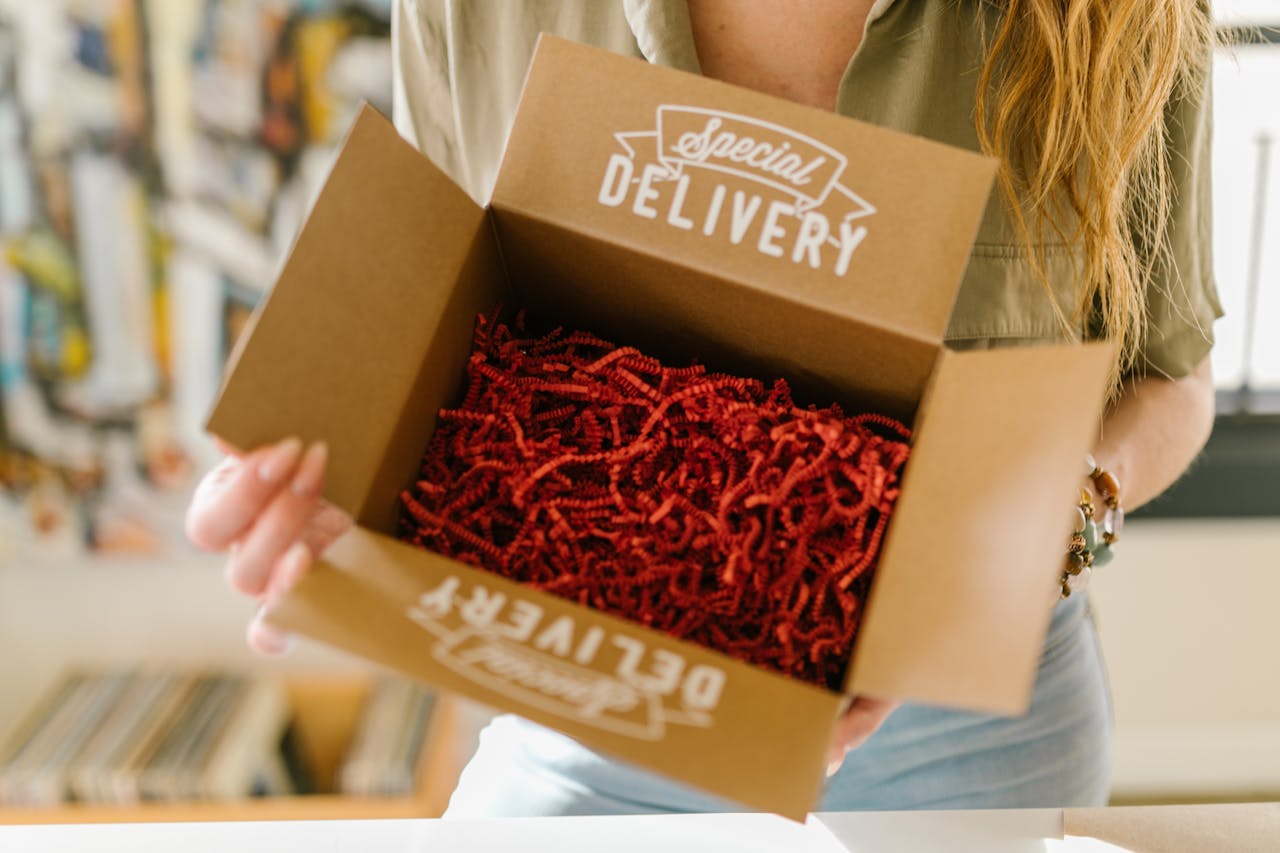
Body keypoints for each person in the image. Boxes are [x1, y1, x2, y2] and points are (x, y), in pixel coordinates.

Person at [187, 0, 1222, 815]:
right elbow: (432, 318)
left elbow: (1169, 378)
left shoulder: (1121, 16)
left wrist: (1058, 517)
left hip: (972, 735)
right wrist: (333, 472)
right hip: (587, 703)